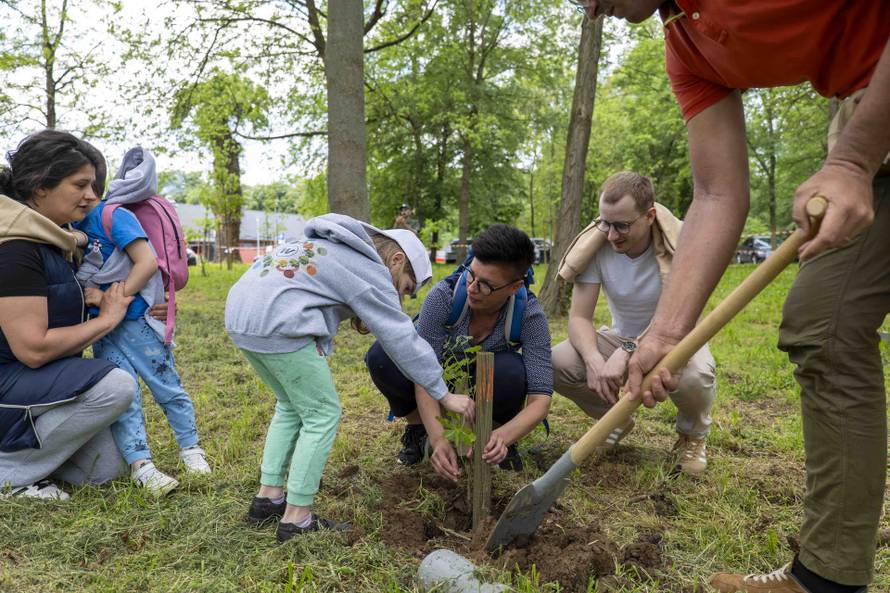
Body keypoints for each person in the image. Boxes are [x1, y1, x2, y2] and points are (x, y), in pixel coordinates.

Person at [578, 1, 889, 591]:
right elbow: (718, 192)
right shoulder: (686, 48)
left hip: (868, 138)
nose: (590, 10)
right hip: (869, 123)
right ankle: (826, 580)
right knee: (822, 325)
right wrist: (664, 336)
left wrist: (852, 159)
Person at [225, 213, 473, 543]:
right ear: (397, 260)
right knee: (322, 414)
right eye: (405, 287)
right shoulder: (368, 267)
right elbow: (401, 337)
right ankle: (296, 518)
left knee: (289, 405)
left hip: (241, 315)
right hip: (279, 322)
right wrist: (444, 394)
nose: (401, 297)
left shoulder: (336, 248)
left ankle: (268, 499)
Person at [0, 130, 137, 500]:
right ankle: (8, 475)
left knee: (103, 470)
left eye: (93, 185)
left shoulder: (57, 240)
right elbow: (33, 349)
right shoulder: (15, 248)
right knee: (116, 386)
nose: (92, 195)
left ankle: (27, 459)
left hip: (30, 381)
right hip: (11, 381)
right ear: (40, 186)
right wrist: (106, 321)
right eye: (80, 185)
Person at [552, 172, 715, 475]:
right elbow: (579, 317)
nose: (611, 235)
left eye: (622, 226)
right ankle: (613, 420)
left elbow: (684, 318)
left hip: (675, 339)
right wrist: (593, 360)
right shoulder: (598, 245)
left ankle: (692, 436)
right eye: (605, 223)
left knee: (696, 376)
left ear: (649, 216)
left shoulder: (680, 244)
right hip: (620, 338)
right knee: (557, 361)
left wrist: (628, 350)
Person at [366, 224, 552, 481]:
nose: (473, 287)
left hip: (488, 386)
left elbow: (541, 399)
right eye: (471, 274)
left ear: (514, 287)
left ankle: (493, 440)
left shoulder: (529, 315)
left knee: (512, 370)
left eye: (486, 285)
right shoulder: (444, 297)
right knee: (383, 356)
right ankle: (419, 429)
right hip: (438, 381)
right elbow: (423, 370)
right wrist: (438, 438)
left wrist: (504, 436)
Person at [74, 147, 210, 497]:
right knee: (124, 396)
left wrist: (110, 299)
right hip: (103, 330)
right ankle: (140, 464)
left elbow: (146, 263)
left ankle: (191, 448)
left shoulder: (113, 216)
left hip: (137, 323)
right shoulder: (71, 225)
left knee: (166, 385)